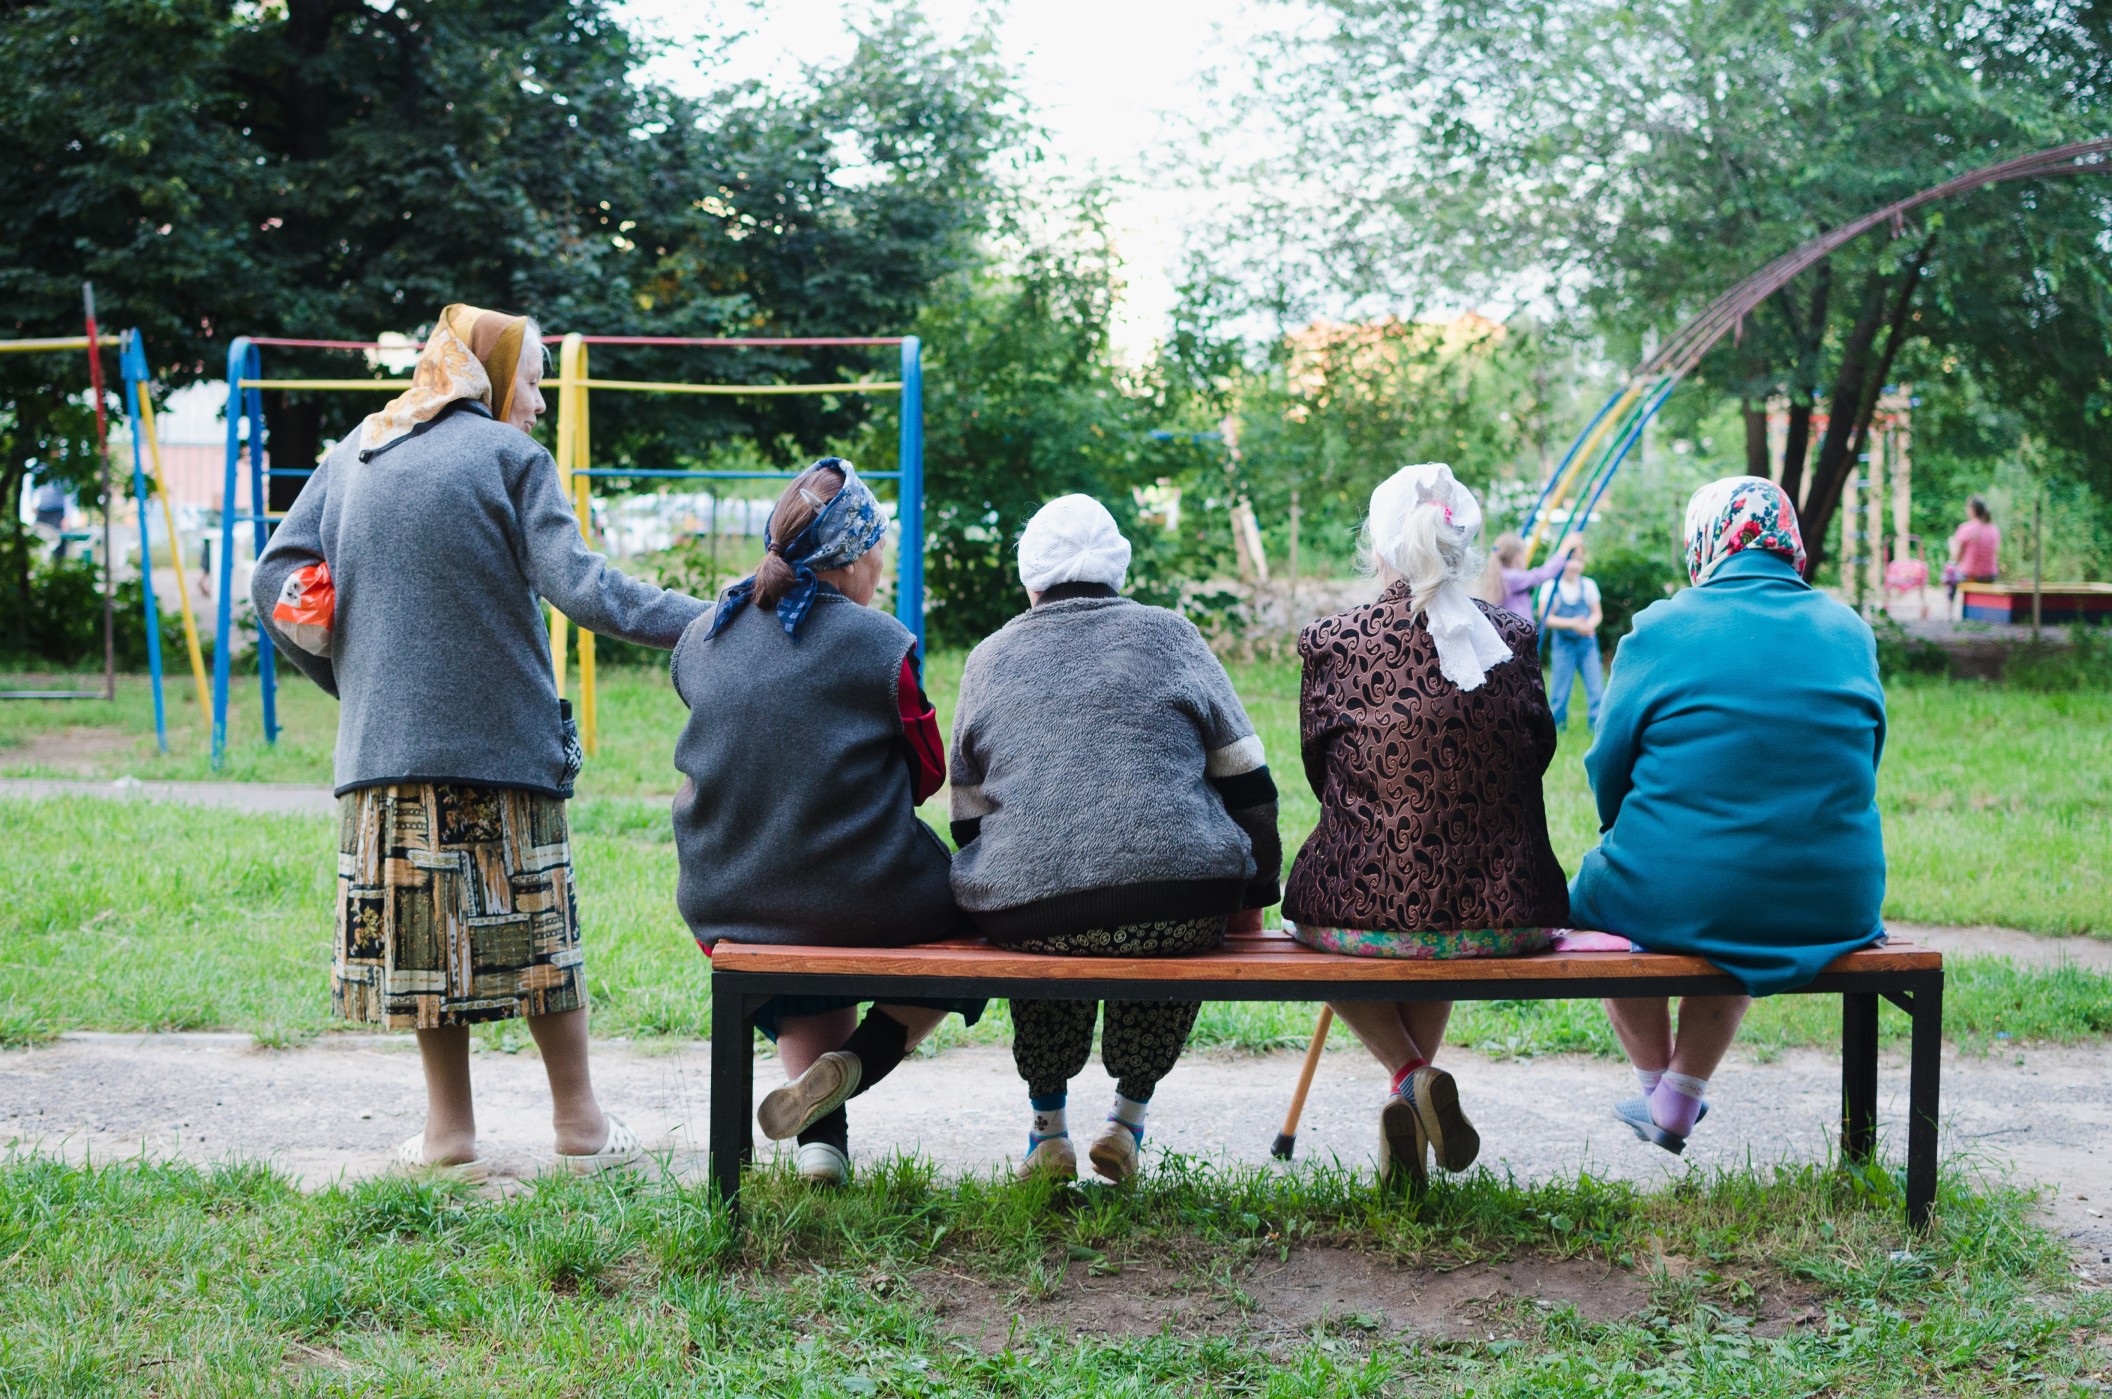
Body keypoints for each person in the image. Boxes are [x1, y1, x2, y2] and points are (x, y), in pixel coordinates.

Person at [254, 303, 707, 1179]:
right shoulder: (509, 459)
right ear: (493, 375)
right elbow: (585, 590)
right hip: (502, 752)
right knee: (536, 938)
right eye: (531, 380)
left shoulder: (357, 451)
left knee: (427, 949)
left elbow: (275, 578)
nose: (535, 402)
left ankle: (448, 1139)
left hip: (384, 758)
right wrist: (711, 617)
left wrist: (352, 680)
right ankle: (581, 1128)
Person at [948, 495, 1281, 1184]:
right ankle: (1127, 1121)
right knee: (1165, 915)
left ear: (1029, 579)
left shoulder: (990, 656)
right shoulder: (1172, 635)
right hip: (1175, 906)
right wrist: (1255, 891)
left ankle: (1048, 1133)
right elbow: (1249, 780)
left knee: (1047, 904)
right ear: (1117, 570)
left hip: (1032, 915)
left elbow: (967, 812)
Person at [672, 458, 982, 1186]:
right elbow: (928, 771)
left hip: (725, 893)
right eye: (880, 549)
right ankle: (852, 1067)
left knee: (798, 929)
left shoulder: (706, 631)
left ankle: (822, 1144)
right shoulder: (881, 643)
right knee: (976, 916)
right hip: (863, 893)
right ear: (855, 557)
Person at [1569, 476, 1885, 1154]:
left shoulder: (1660, 629)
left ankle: (1661, 1089)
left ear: (1705, 543)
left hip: (1685, 888)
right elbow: (1868, 751)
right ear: (1790, 545)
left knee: (1606, 904)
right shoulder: (1851, 630)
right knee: (1746, 905)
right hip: (1837, 898)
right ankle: (1678, 1097)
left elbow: (1607, 763)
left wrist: (1618, 831)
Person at [1282, 463, 1570, 1191]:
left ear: (1376, 549)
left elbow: (1323, 773)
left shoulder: (1332, 642)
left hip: (1358, 913)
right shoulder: (1512, 635)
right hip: (1505, 912)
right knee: (1446, 896)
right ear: (1465, 548)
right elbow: (1536, 753)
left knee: (1314, 928)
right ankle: (1409, 1098)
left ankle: (1411, 1073)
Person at [1537, 544, 1605, 733]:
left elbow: (1597, 613)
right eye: (1569, 560)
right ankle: (1557, 729)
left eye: (1578, 561)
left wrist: (1588, 625)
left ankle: (1597, 728)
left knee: (1596, 689)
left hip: (1587, 644)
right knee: (1560, 691)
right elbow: (1545, 617)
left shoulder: (1589, 585)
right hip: (1563, 645)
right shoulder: (1551, 586)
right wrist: (1572, 624)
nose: (1574, 565)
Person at [1484, 531, 1577, 625]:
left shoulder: (1500, 575)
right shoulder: (1510, 577)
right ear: (1518, 557)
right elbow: (1544, 573)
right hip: (1517, 633)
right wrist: (1565, 548)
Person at [1944, 495, 2000, 614]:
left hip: (1969, 575)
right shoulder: (1994, 528)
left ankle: (1949, 608)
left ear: (1972, 510)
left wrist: (1951, 544)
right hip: (1991, 575)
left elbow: (1955, 557)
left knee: (1949, 571)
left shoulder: (1966, 528)